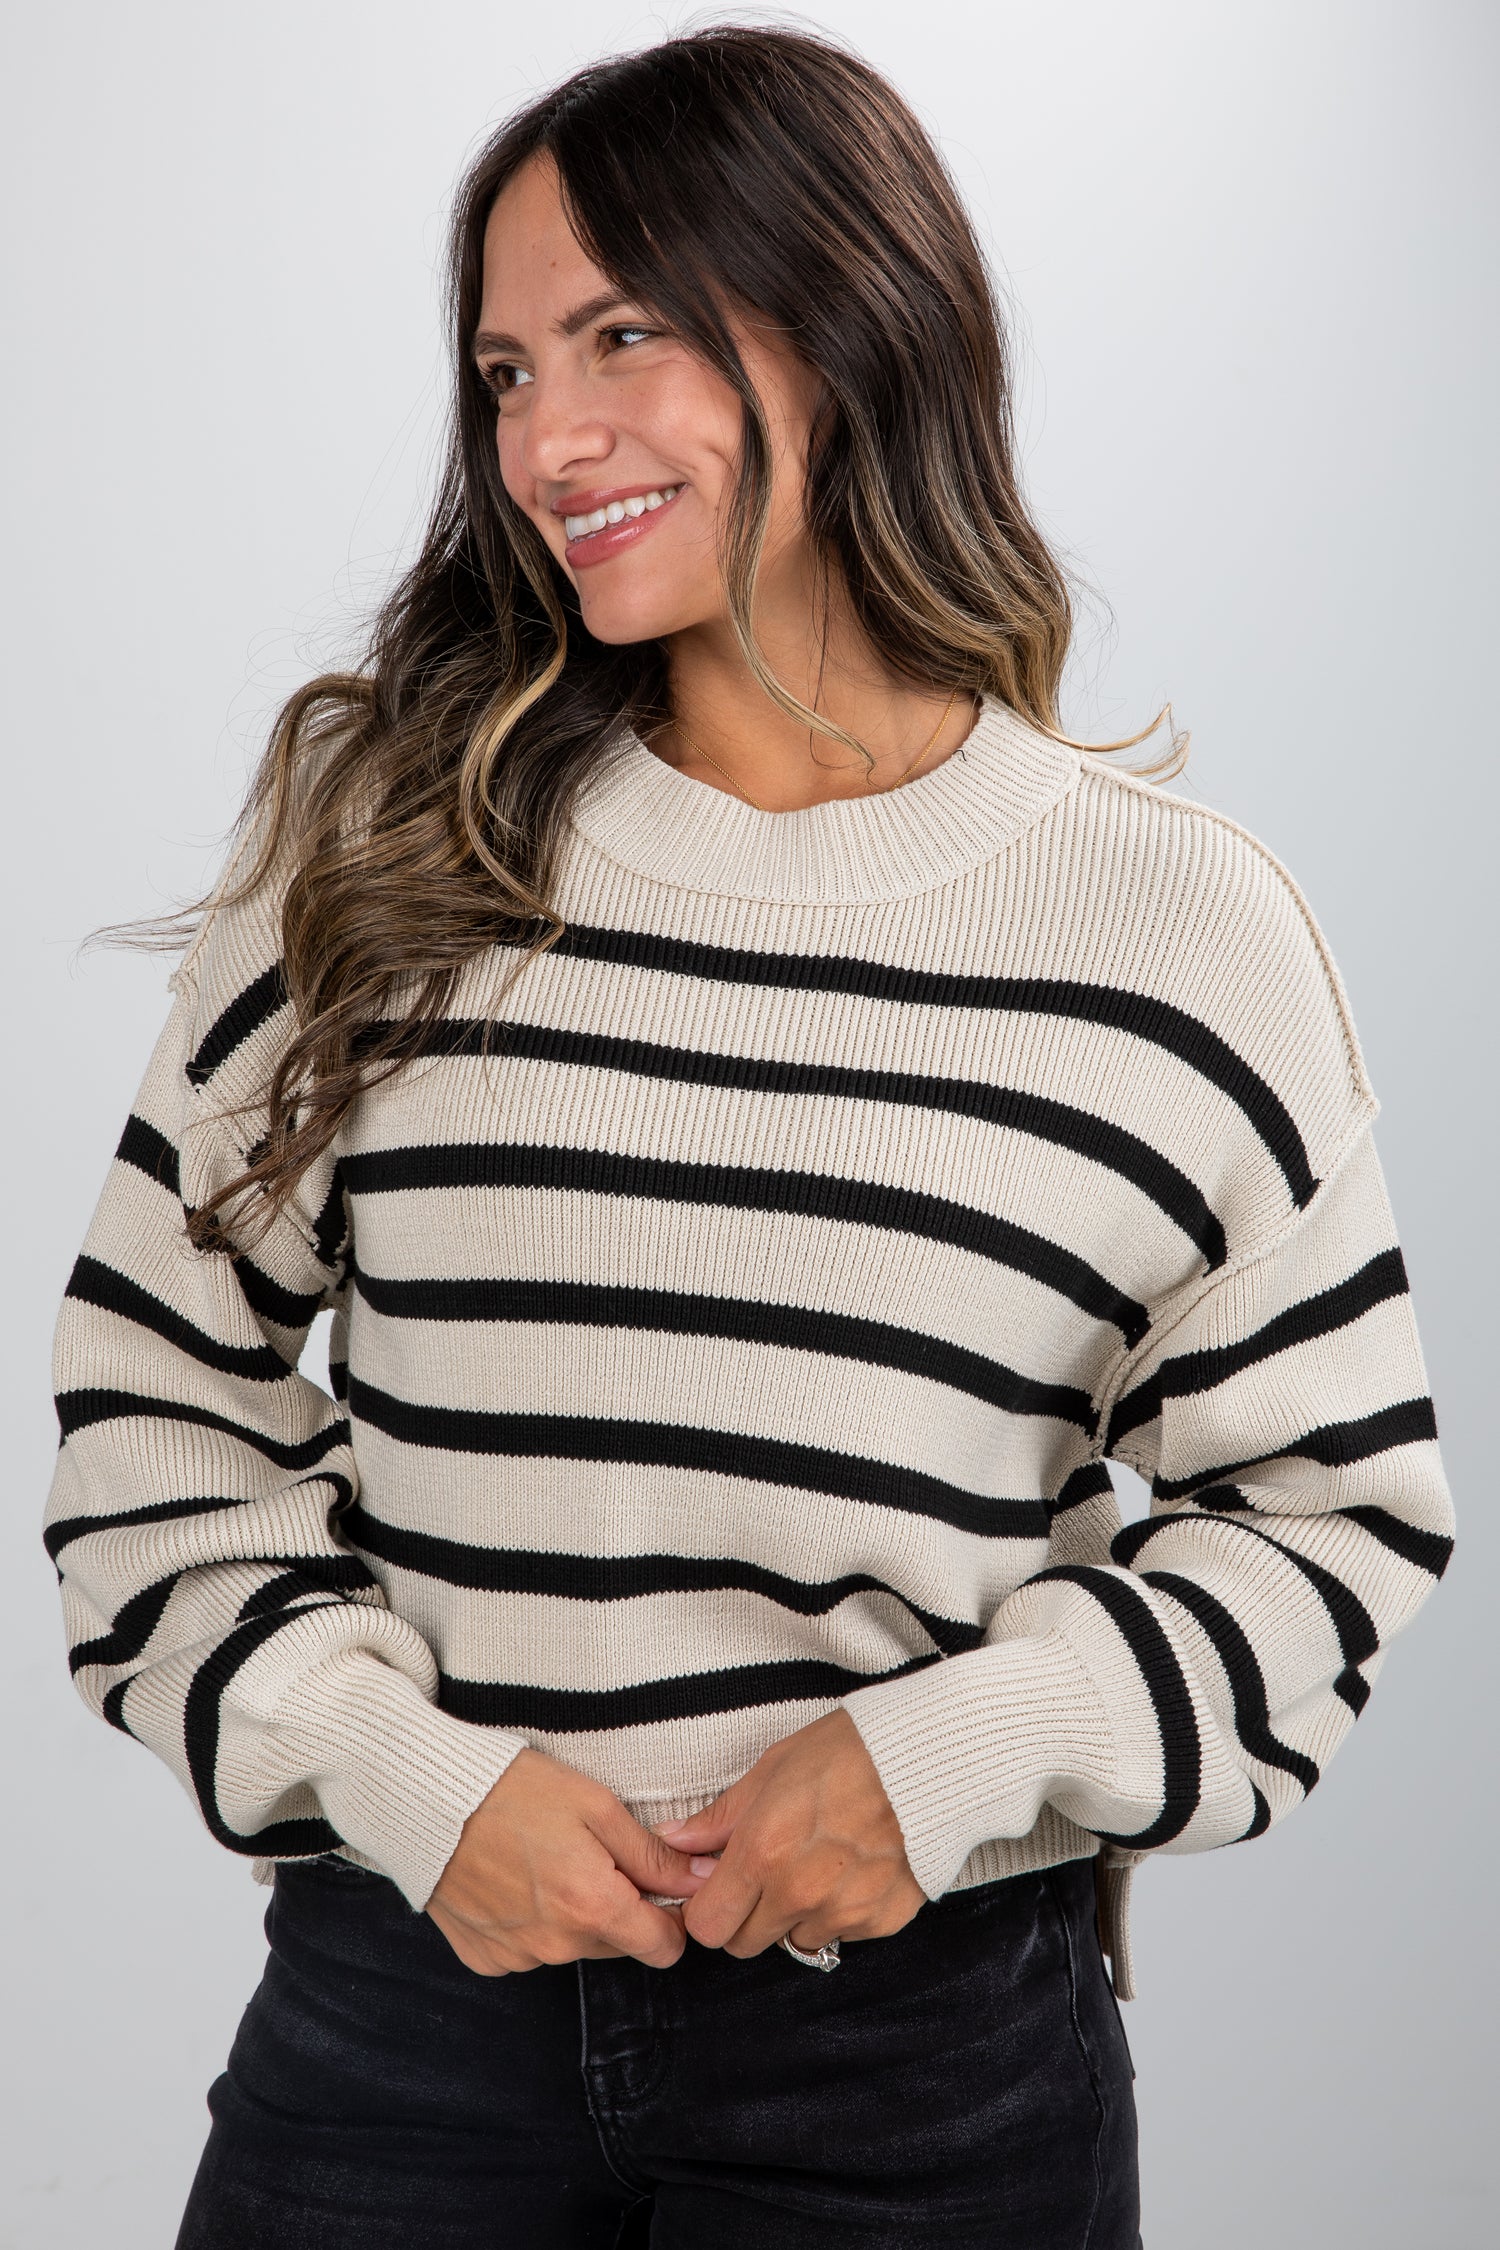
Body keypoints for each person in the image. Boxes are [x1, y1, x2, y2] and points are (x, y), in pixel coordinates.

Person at [45, 25, 1453, 2249]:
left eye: (623, 336)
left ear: (857, 316)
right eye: (506, 370)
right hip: (406, 2049)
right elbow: (145, 1415)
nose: (546, 436)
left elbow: (1333, 1524)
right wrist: (411, 1778)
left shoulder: (1177, 933)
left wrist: (952, 1761)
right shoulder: (398, 847)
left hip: (923, 2085)